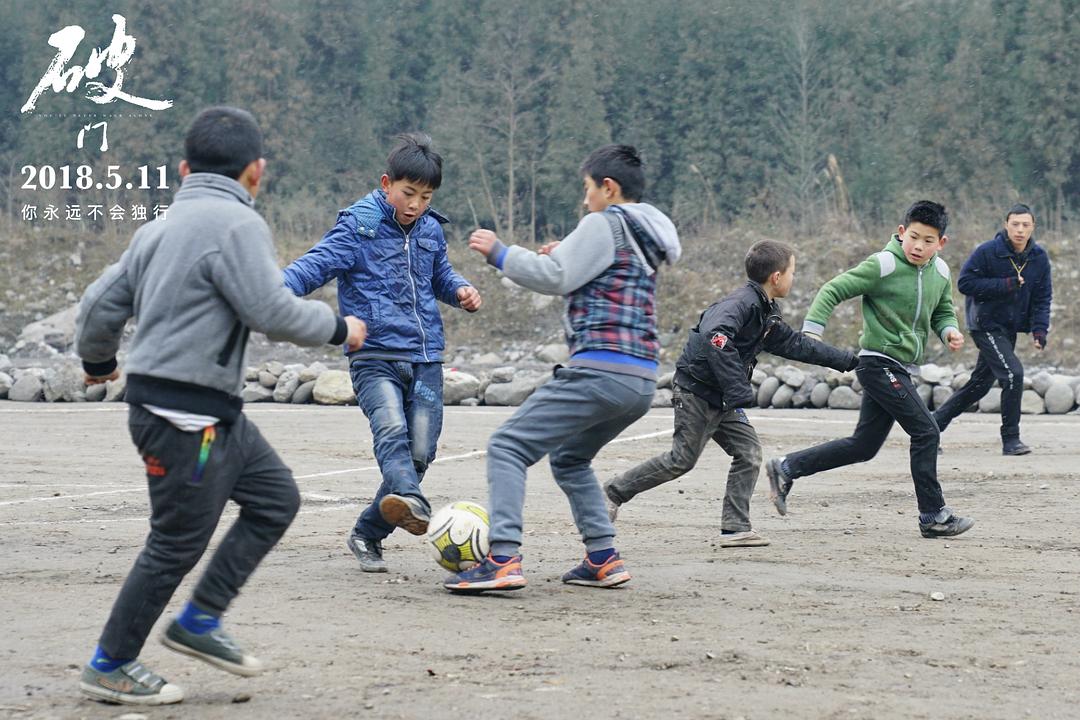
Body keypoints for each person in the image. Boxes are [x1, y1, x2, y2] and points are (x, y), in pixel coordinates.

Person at [75, 106, 367, 706]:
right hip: (187, 416)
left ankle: (200, 622)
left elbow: (98, 305)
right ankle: (110, 663)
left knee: (274, 498)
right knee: (176, 542)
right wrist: (341, 328)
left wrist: (100, 364)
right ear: (256, 172)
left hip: (205, 409)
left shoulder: (154, 229)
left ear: (185, 169)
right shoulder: (237, 225)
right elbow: (272, 310)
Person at [445, 144, 680, 593]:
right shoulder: (643, 235)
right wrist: (562, 254)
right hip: (641, 380)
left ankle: (502, 558)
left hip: (600, 370)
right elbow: (594, 273)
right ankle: (603, 559)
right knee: (571, 459)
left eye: (587, 189)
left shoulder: (603, 222)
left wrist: (499, 253)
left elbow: (555, 277)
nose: (584, 199)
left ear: (608, 188)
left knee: (507, 446)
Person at [283, 133, 481, 572]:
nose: (415, 204)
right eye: (408, 193)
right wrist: (269, 295)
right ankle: (412, 500)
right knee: (391, 429)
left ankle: (367, 532)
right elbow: (312, 266)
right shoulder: (359, 226)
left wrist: (461, 290)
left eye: (425, 197)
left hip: (426, 357)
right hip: (373, 357)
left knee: (420, 452)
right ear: (386, 182)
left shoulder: (430, 229)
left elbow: (441, 276)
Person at [603, 240, 858, 547]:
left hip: (722, 395)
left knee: (748, 453)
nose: (794, 278)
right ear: (776, 277)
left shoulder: (765, 312)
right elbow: (717, 337)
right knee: (681, 459)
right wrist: (738, 388)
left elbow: (799, 345)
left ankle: (735, 528)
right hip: (697, 390)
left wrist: (849, 361)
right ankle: (612, 493)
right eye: (793, 272)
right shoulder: (741, 304)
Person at [765, 200, 976, 539]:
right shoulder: (884, 264)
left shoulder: (940, 272)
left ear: (941, 243)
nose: (919, 246)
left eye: (928, 240)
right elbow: (833, 289)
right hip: (877, 363)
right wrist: (812, 333)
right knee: (926, 431)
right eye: (914, 237)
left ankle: (786, 467)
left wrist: (949, 330)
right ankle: (933, 515)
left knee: (863, 446)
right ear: (902, 232)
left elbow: (942, 311)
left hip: (901, 368)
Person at [933, 204, 1052, 455]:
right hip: (984, 324)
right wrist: (1006, 284)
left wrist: (1039, 330)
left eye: (1025, 225)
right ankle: (1011, 439)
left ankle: (930, 427)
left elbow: (1043, 297)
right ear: (1006, 225)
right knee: (1013, 374)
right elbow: (965, 283)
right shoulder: (988, 252)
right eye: (1015, 224)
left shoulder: (1039, 258)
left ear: (1033, 227)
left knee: (979, 386)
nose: (1020, 230)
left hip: (1009, 328)